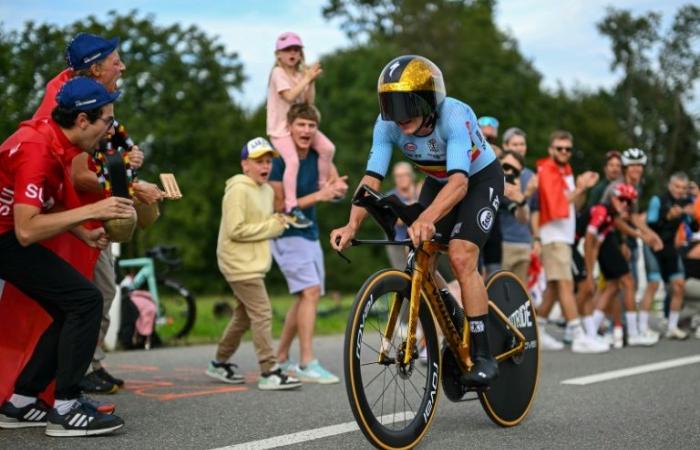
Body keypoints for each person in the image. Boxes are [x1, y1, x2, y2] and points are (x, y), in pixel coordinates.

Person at [331, 55, 504, 388]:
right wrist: (351, 225)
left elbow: (460, 183)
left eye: (406, 104)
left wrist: (425, 216)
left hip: (478, 179)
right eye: (390, 105)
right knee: (419, 250)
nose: (398, 116)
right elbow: (371, 179)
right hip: (439, 180)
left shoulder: (453, 115)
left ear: (428, 100)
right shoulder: (387, 126)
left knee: (460, 255)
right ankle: (453, 311)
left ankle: (483, 355)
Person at [0, 77, 132, 436]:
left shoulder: (55, 139)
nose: (111, 130)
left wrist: (82, 231)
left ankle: (22, 401)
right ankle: (67, 408)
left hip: (8, 234)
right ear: (83, 121)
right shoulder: (38, 149)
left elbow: (43, 199)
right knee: (86, 300)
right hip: (7, 237)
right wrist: (97, 208)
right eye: (107, 121)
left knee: (71, 305)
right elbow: (27, 229)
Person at [33, 32, 161, 394]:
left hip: (86, 214)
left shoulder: (93, 97)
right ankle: (67, 385)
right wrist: (134, 189)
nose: (122, 65)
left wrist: (129, 161)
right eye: (115, 60)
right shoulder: (74, 105)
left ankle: (88, 365)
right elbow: (79, 176)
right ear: (94, 68)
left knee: (100, 293)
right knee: (91, 297)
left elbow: (108, 153)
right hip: (68, 217)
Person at [206, 137, 302, 391]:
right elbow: (235, 229)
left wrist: (278, 220)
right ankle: (269, 370)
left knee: (243, 318)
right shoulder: (237, 189)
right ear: (244, 165)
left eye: (269, 161)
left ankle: (219, 362)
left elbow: (261, 223)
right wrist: (272, 226)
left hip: (254, 264)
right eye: (259, 161)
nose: (265, 166)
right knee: (262, 312)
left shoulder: (267, 190)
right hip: (238, 263)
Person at [270, 103, 348, 384]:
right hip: (285, 233)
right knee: (311, 292)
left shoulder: (319, 155)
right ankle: (306, 361)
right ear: (289, 127)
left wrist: (338, 191)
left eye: (311, 126)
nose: (306, 130)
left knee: (305, 295)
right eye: (300, 124)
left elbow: (334, 186)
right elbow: (279, 206)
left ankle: (280, 357)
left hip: (310, 232)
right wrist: (320, 196)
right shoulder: (278, 160)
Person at [531, 130, 609, 353]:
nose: (564, 152)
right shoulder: (547, 169)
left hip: (562, 237)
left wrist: (582, 187)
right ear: (551, 150)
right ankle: (577, 335)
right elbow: (557, 205)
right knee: (565, 284)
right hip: (553, 237)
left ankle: (540, 330)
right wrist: (581, 187)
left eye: (567, 149)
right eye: (559, 148)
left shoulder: (565, 170)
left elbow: (576, 204)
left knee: (554, 288)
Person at [266, 32, 335, 229]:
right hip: (280, 130)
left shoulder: (298, 75)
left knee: (328, 149)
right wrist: (307, 78)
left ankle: (322, 185)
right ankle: (291, 207)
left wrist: (310, 81)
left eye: (296, 50)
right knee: (293, 161)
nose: (292, 53)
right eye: (287, 50)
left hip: (297, 125)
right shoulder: (278, 73)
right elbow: (289, 96)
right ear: (278, 54)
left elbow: (308, 102)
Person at [584, 184, 657, 346]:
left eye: (629, 203)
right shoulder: (602, 211)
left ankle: (592, 330)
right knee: (628, 282)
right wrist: (589, 272)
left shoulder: (611, 213)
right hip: (600, 245)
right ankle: (632, 333)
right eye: (623, 200)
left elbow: (613, 228)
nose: (626, 205)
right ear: (612, 197)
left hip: (603, 244)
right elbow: (589, 240)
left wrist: (641, 235)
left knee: (613, 287)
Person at [644, 172, 693, 339]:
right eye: (677, 187)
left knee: (679, 285)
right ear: (670, 186)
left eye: (683, 188)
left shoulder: (686, 203)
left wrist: (689, 214)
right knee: (654, 285)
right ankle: (642, 327)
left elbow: (691, 225)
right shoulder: (657, 200)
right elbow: (649, 225)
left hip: (671, 247)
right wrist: (668, 216)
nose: (679, 191)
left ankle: (672, 327)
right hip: (653, 245)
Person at [499, 128, 537, 283]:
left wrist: (536, 239)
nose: (520, 148)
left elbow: (534, 210)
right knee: (499, 289)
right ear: (505, 146)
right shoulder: (500, 171)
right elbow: (504, 202)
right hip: (503, 241)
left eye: (522, 144)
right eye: (515, 144)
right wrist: (525, 194)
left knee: (520, 294)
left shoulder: (531, 175)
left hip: (525, 241)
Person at [385, 162, 418, 269]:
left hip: (419, 240)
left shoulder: (421, 192)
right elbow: (397, 220)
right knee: (401, 272)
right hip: (397, 242)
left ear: (411, 176)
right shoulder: (390, 197)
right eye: (398, 176)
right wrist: (415, 206)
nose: (401, 179)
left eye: (404, 175)